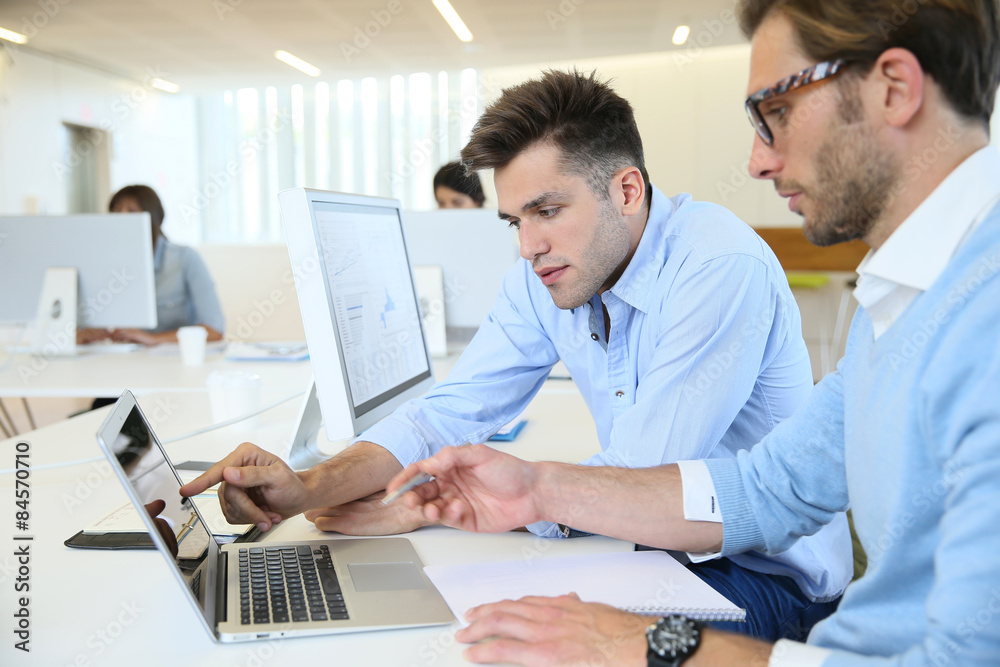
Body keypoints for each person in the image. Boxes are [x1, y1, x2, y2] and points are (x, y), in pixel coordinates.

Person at [390, 0, 1000, 664]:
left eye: (777, 112)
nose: (758, 161)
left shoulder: (982, 319)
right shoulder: (901, 297)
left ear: (895, 88)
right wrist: (538, 487)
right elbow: (771, 486)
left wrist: (653, 643)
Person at [181, 70, 852, 640]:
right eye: (514, 221)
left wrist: (440, 501)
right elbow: (444, 415)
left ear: (626, 190)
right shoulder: (548, 275)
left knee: (514, 640)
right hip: (645, 550)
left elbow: (647, 474)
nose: (528, 245)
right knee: (466, 622)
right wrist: (309, 488)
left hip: (762, 581)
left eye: (548, 210)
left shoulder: (715, 264)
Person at [78, 185, 225, 346]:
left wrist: (153, 339)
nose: (121, 218)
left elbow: (214, 330)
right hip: (123, 358)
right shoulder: (101, 264)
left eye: (132, 212)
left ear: (156, 219)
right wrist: (81, 334)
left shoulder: (184, 259)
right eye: (115, 211)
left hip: (172, 360)